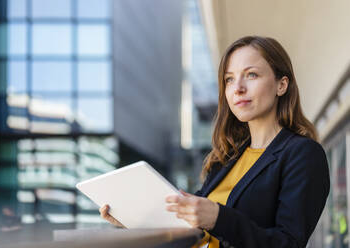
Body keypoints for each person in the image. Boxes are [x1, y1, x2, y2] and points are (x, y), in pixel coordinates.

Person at [99, 36, 330, 248]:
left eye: (251, 75)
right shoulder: (228, 156)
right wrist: (134, 218)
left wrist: (218, 218)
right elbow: (190, 221)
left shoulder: (303, 154)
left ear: (282, 85)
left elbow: (288, 244)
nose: (238, 88)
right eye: (229, 79)